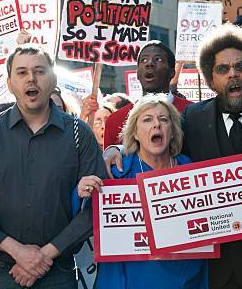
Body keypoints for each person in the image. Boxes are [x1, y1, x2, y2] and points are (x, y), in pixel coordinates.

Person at [106, 25, 242, 288]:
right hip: (212, 272)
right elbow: (162, 149)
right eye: (223, 69)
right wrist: (119, 149)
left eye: (240, 66)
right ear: (211, 79)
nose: (233, 74)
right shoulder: (192, 118)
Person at [0, 44, 106, 288]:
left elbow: (96, 208)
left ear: (53, 78)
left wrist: (44, 255)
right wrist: (16, 250)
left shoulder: (80, 134)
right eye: (21, 72)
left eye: (39, 71)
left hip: (58, 272)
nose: (31, 79)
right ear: (10, 82)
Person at [79, 94, 208, 288]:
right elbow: (81, 215)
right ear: (136, 133)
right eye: (147, 120)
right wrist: (82, 192)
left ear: (172, 131)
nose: (156, 124)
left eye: (163, 119)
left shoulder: (193, 171)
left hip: (186, 278)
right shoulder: (116, 175)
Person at [103, 41, 192, 148]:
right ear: (137, 73)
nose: (149, 63)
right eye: (144, 60)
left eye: (158, 59)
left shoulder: (194, 114)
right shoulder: (115, 121)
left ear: (172, 73)